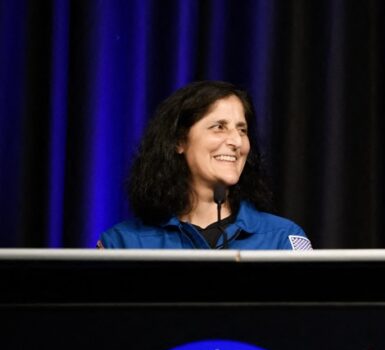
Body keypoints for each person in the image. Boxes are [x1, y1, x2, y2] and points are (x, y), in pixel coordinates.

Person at [98, 80, 311, 250]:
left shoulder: (285, 239)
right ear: (179, 141)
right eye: (219, 127)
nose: (236, 142)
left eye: (242, 130)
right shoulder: (121, 244)